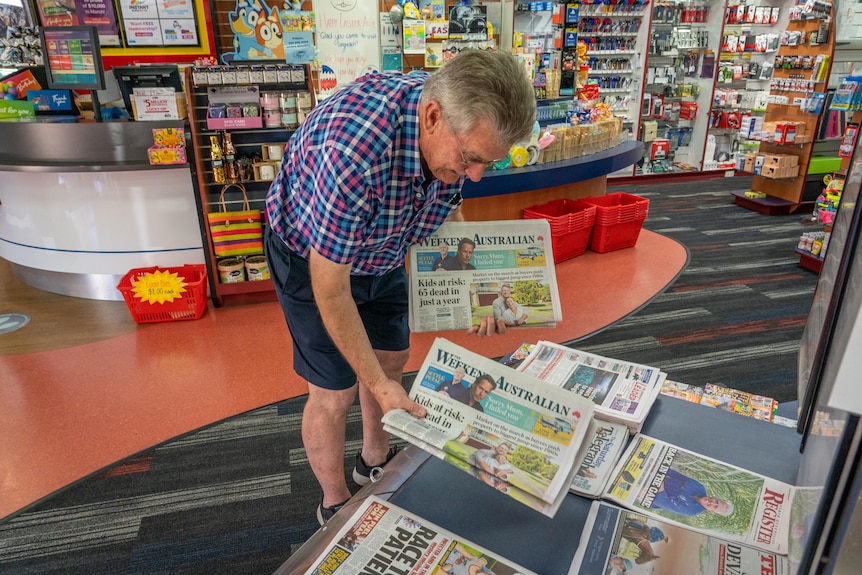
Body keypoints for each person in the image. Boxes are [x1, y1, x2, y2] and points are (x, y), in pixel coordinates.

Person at [263, 49, 536, 525]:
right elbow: (331, 290)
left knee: (391, 361)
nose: (475, 175)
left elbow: (450, 216)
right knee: (335, 389)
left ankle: (374, 460)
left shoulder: (449, 129)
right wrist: (374, 383)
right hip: (311, 255)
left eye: (487, 163)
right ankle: (333, 501)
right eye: (471, 159)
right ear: (432, 117)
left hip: (387, 243)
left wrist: (474, 299)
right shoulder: (352, 153)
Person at [650, 468, 734, 517]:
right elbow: (674, 474)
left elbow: (663, 502)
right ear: (716, 497)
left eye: (715, 507)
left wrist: (658, 482)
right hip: (656, 478)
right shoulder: (700, 487)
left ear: (712, 511)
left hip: (652, 496)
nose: (712, 503)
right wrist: (656, 469)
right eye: (716, 502)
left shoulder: (692, 511)